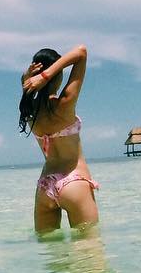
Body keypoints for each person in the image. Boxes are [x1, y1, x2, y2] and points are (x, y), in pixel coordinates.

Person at [20, 44, 99, 234]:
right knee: (90, 255)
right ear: (58, 73)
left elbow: (25, 85)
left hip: (45, 186)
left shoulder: (29, 110)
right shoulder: (65, 104)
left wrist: (29, 77)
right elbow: (81, 52)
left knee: (51, 255)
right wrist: (46, 74)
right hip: (74, 181)